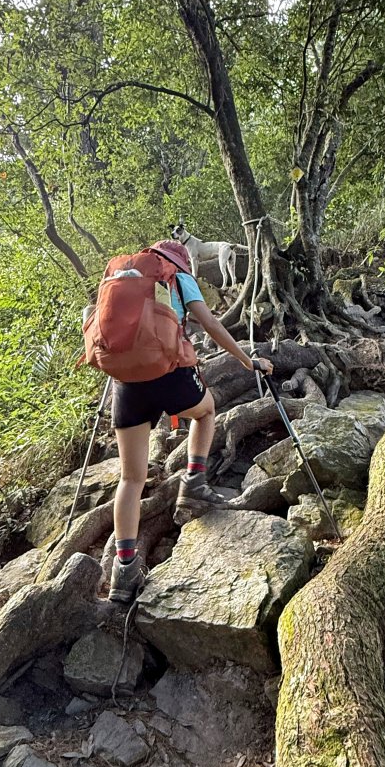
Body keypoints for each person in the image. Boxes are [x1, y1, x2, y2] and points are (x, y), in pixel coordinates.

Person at [108, 239, 274, 604]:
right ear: (181, 258)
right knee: (207, 410)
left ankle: (123, 571)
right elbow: (209, 322)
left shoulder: (123, 278)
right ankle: (194, 481)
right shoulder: (178, 276)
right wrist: (248, 361)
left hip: (126, 384)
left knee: (131, 478)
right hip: (168, 372)